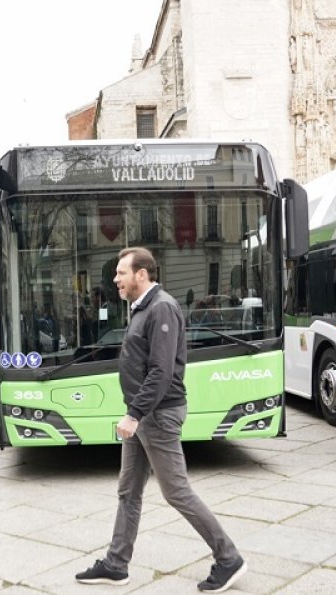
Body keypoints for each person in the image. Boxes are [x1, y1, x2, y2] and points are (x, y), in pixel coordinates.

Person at [76, 247, 247, 593]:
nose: (115, 279)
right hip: (143, 416)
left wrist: (134, 414)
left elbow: (162, 372)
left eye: (121, 273)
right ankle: (116, 564)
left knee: (176, 491)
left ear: (141, 274)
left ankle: (228, 558)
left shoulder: (162, 307)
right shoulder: (141, 309)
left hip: (158, 415)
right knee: (128, 491)